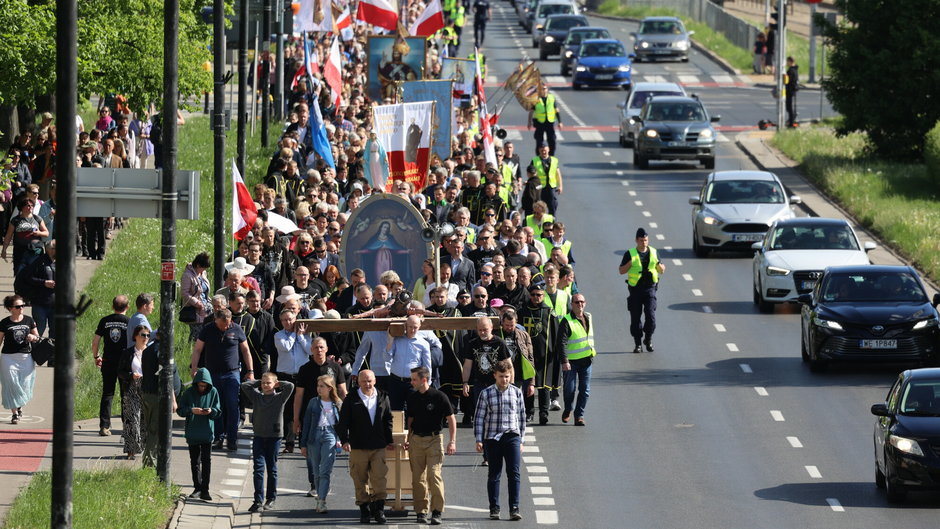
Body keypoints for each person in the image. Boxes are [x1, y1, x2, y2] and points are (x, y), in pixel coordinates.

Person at [190, 309, 255, 451]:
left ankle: (232, 439)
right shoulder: (207, 329)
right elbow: (197, 350)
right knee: (216, 407)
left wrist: (250, 371)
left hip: (232, 374)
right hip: (212, 374)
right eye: (221, 325)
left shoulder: (236, 329)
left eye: (227, 324)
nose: (224, 327)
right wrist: (194, 367)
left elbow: (245, 351)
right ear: (215, 320)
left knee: (232, 405)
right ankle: (218, 437)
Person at [336, 369, 395, 525]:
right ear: (358, 382)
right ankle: (364, 510)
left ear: (375, 381)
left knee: (379, 479)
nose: (367, 384)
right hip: (358, 446)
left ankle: (379, 510)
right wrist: (345, 441)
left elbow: (388, 419)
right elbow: (343, 422)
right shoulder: (351, 399)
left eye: (370, 381)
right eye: (364, 381)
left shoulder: (383, 396)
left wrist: (389, 440)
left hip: (378, 446)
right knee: (359, 480)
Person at [474, 359, 525, 521]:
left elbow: (522, 417)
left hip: (512, 437)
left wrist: (521, 439)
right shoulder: (486, 393)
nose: (505, 380)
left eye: (507, 376)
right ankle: (494, 508)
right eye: (502, 376)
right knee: (494, 474)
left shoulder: (516, 392)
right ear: (495, 375)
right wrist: (479, 439)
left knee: (514, 473)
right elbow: (479, 418)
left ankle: (514, 508)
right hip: (493, 439)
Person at [405, 366, 457, 525]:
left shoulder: (439, 397)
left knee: (434, 476)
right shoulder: (412, 398)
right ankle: (421, 511)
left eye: (414, 379)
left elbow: (451, 419)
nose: (411, 382)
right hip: (416, 441)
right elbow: (410, 420)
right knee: (417, 478)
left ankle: (437, 511)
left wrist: (452, 441)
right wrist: (408, 438)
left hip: (434, 440)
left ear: (424, 380)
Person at [241, 373, 295, 512]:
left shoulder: (280, 398)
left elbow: (290, 386)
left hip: (274, 437)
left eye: (268, 383)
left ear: (275, 384)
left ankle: (271, 498)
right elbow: (244, 385)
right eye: (263, 383)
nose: (265, 385)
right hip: (259, 436)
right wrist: (259, 381)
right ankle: (258, 500)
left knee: (271, 468)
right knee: (258, 469)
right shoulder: (257, 397)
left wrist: (277, 383)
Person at [299, 375, 344, 514]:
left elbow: (342, 424)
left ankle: (322, 500)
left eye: (322, 386)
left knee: (325, 471)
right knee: (316, 472)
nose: (318, 389)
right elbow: (306, 423)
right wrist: (303, 444)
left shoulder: (337, 403)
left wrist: (341, 439)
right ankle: (319, 496)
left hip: (330, 435)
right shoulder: (313, 402)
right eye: (318, 386)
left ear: (330, 388)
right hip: (314, 436)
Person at [618, 228, 665, 354]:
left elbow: (662, 270)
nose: (644, 243)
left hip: (650, 289)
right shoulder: (630, 253)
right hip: (635, 290)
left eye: (646, 240)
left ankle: (648, 339)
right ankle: (638, 343)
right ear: (636, 240)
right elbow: (621, 271)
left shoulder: (654, 252)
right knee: (635, 318)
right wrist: (630, 263)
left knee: (650, 316)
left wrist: (659, 266)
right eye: (641, 240)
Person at [518, 283, 559, 425]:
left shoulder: (549, 312)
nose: (536, 297)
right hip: (527, 354)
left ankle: (543, 413)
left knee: (544, 386)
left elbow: (556, 334)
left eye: (539, 295)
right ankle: (529, 412)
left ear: (543, 295)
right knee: (528, 384)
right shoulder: (522, 312)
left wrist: (557, 354)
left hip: (545, 354)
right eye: (533, 295)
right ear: (530, 295)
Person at [178, 367, 221, 501]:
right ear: (196, 383)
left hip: (207, 432)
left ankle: (205, 489)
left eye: (204, 385)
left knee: (206, 461)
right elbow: (180, 410)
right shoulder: (189, 392)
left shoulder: (213, 391)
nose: (202, 388)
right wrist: (191, 410)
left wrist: (211, 411)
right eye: (200, 385)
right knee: (195, 461)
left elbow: (218, 411)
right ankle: (197, 487)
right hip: (193, 433)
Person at [461, 316, 511, 425]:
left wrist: (510, 385)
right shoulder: (472, 343)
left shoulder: (499, 343)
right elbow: (467, 366)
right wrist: (465, 382)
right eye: (480, 330)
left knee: (498, 413)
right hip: (480, 383)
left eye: (485, 330)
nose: (483, 332)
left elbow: (509, 366)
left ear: (491, 328)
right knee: (481, 414)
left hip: (497, 383)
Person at [92, 295, 130, 436]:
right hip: (124, 363)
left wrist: (96, 356)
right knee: (125, 395)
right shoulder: (129, 322)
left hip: (108, 361)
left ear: (113, 306)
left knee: (107, 393)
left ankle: (104, 426)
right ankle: (126, 426)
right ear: (127, 307)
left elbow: (96, 342)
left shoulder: (105, 321)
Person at [273, 310, 310, 453]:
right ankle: (289, 442)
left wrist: (301, 337)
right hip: (286, 376)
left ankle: (302, 442)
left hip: (301, 375)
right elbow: (286, 347)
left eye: (290, 319)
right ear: (281, 321)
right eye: (284, 320)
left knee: (302, 409)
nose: (288, 322)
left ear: (296, 319)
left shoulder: (305, 335)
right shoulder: (278, 335)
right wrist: (295, 334)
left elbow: (310, 350)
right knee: (288, 410)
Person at [0, 295, 38, 425]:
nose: (21, 308)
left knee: (25, 384)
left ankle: (19, 404)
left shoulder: (29, 320)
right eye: (18, 306)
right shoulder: (4, 323)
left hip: (26, 357)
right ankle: (15, 414)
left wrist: (33, 337)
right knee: (11, 384)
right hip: (8, 357)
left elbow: (38, 337)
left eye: (23, 305)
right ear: (10, 308)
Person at [558, 293, 594, 426]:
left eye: (582, 302)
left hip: (586, 360)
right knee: (570, 389)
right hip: (571, 362)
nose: (580, 305)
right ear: (572, 304)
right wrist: (564, 361)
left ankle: (579, 415)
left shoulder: (588, 317)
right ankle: (568, 409)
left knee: (585, 390)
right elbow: (561, 342)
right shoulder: (566, 321)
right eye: (577, 302)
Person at [118, 325, 151, 460]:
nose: (146, 338)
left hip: (148, 388)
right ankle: (131, 450)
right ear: (136, 336)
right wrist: (131, 375)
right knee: (132, 419)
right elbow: (120, 371)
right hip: (131, 387)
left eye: (148, 335)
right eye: (143, 335)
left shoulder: (151, 352)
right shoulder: (127, 353)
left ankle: (145, 448)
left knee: (145, 420)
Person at [386, 315, 433, 410]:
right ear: (406, 326)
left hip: (413, 382)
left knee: (413, 410)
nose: (412, 330)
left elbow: (427, 365)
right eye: (410, 327)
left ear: (419, 327)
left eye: (415, 327)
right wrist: (390, 339)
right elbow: (387, 356)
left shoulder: (424, 344)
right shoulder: (397, 339)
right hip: (395, 380)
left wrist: (428, 382)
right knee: (395, 410)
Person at [2, 196, 49, 275]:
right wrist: (4, 250)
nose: (30, 207)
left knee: (35, 273)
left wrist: (39, 233)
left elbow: (46, 233)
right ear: (22, 207)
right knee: (19, 273)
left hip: (35, 250)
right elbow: (8, 236)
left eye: (32, 205)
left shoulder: (37, 219)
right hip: (20, 251)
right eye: (28, 205)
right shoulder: (15, 220)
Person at [27, 240, 56, 337]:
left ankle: (51, 352)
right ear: (48, 250)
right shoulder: (39, 261)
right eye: (55, 248)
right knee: (38, 331)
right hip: (40, 303)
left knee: (55, 332)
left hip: (56, 304)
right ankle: (34, 351)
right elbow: (29, 278)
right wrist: (44, 283)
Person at [181, 252, 212, 341]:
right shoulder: (187, 275)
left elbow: (204, 290)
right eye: (203, 268)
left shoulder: (203, 273)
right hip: (194, 309)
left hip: (206, 307)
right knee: (197, 334)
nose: (204, 270)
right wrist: (196, 302)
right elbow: (184, 293)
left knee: (206, 332)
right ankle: (191, 350)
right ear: (198, 265)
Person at [527, 143, 563, 215]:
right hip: (540, 186)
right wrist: (530, 182)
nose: (543, 152)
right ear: (539, 151)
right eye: (542, 150)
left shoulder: (554, 160)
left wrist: (560, 186)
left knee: (553, 205)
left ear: (548, 150)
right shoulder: (535, 160)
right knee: (539, 206)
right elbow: (530, 172)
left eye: (545, 150)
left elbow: (558, 173)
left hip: (551, 186)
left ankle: (552, 222)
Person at [527, 84, 561, 156]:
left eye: (545, 89)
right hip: (540, 123)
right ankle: (539, 156)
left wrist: (560, 122)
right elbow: (531, 111)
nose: (544, 90)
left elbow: (556, 110)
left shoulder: (551, 98)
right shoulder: (536, 99)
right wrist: (529, 122)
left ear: (547, 90)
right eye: (542, 89)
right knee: (539, 141)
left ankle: (551, 156)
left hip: (550, 122)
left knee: (552, 141)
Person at [785, 56, 799, 128]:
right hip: (792, 90)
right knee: (788, 107)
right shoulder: (795, 70)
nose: (786, 63)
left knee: (789, 107)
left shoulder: (791, 71)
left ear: (790, 61)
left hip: (789, 90)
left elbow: (788, 81)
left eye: (787, 61)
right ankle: (791, 119)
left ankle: (791, 122)